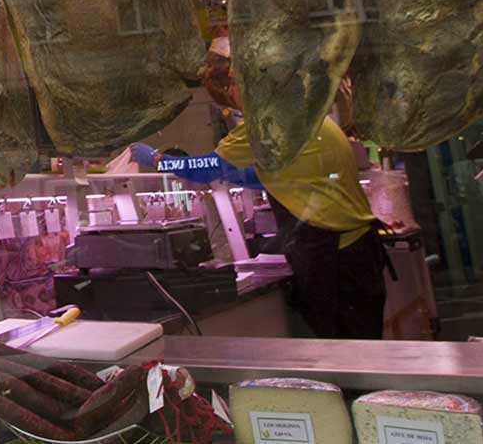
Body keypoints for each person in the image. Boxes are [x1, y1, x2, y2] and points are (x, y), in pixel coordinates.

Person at [133, 101, 389, 340]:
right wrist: (235, 175)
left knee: (348, 348)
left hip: (337, 258)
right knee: (359, 345)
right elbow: (284, 175)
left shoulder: (268, 123)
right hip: (354, 251)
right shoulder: (306, 117)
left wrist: (157, 160)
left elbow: (208, 166)